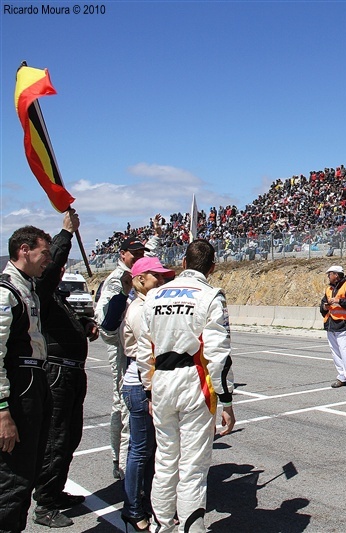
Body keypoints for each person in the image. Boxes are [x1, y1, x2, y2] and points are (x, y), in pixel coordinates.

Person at [136, 239, 235, 532]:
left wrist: (149, 390)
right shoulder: (211, 296)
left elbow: (145, 350)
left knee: (165, 462)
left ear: (182, 263)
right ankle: (192, 529)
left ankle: (162, 525)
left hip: (161, 382)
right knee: (192, 468)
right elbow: (219, 355)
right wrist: (227, 401)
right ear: (213, 267)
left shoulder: (154, 296)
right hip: (195, 383)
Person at [32, 211, 97, 528]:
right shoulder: (38, 286)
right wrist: (66, 234)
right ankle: (44, 505)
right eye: (45, 256)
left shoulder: (56, 293)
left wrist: (84, 325)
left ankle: (55, 491)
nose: (50, 263)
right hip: (57, 374)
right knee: (56, 439)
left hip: (72, 373)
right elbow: (51, 268)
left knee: (69, 437)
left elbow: (63, 325)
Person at [95, 219, 161, 480]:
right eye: (134, 254)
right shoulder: (115, 282)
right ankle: (122, 465)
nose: (139, 257)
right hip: (124, 350)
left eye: (141, 253)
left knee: (131, 411)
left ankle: (132, 463)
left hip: (138, 347)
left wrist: (155, 238)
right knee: (122, 408)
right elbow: (106, 327)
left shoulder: (140, 273)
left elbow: (149, 261)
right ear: (122, 254)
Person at [0, 226, 53, 533]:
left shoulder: (27, 287)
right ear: (24, 250)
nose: (47, 259)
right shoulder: (7, 291)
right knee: (12, 480)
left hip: (34, 385)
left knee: (27, 474)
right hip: (18, 392)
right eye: (44, 252)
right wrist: (3, 410)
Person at [121, 257, 174, 531]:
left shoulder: (148, 305)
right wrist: (151, 392)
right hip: (141, 385)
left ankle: (148, 504)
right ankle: (133, 508)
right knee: (140, 451)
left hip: (146, 384)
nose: (162, 281)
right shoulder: (141, 310)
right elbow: (148, 352)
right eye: (157, 276)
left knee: (150, 450)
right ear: (140, 279)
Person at [320, 266, 346, 391]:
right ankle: (342, 377)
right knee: (336, 354)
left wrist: (339, 300)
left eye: (330, 274)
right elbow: (322, 305)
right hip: (331, 325)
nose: (328, 276)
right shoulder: (329, 288)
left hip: (344, 325)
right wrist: (325, 307)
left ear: (336, 275)